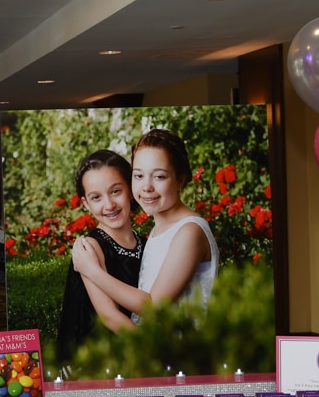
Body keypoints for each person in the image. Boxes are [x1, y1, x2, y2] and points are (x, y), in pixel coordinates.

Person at [71, 129, 218, 319]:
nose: (147, 187)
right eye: (139, 176)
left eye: (159, 176)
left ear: (180, 179)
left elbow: (155, 306)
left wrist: (92, 271)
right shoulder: (159, 230)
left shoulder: (189, 231)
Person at [55, 150, 144, 367]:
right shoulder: (91, 247)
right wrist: (156, 350)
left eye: (115, 191)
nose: (109, 205)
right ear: (86, 203)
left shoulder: (145, 242)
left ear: (131, 190)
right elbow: (110, 317)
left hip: (129, 353)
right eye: (96, 197)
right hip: (93, 360)